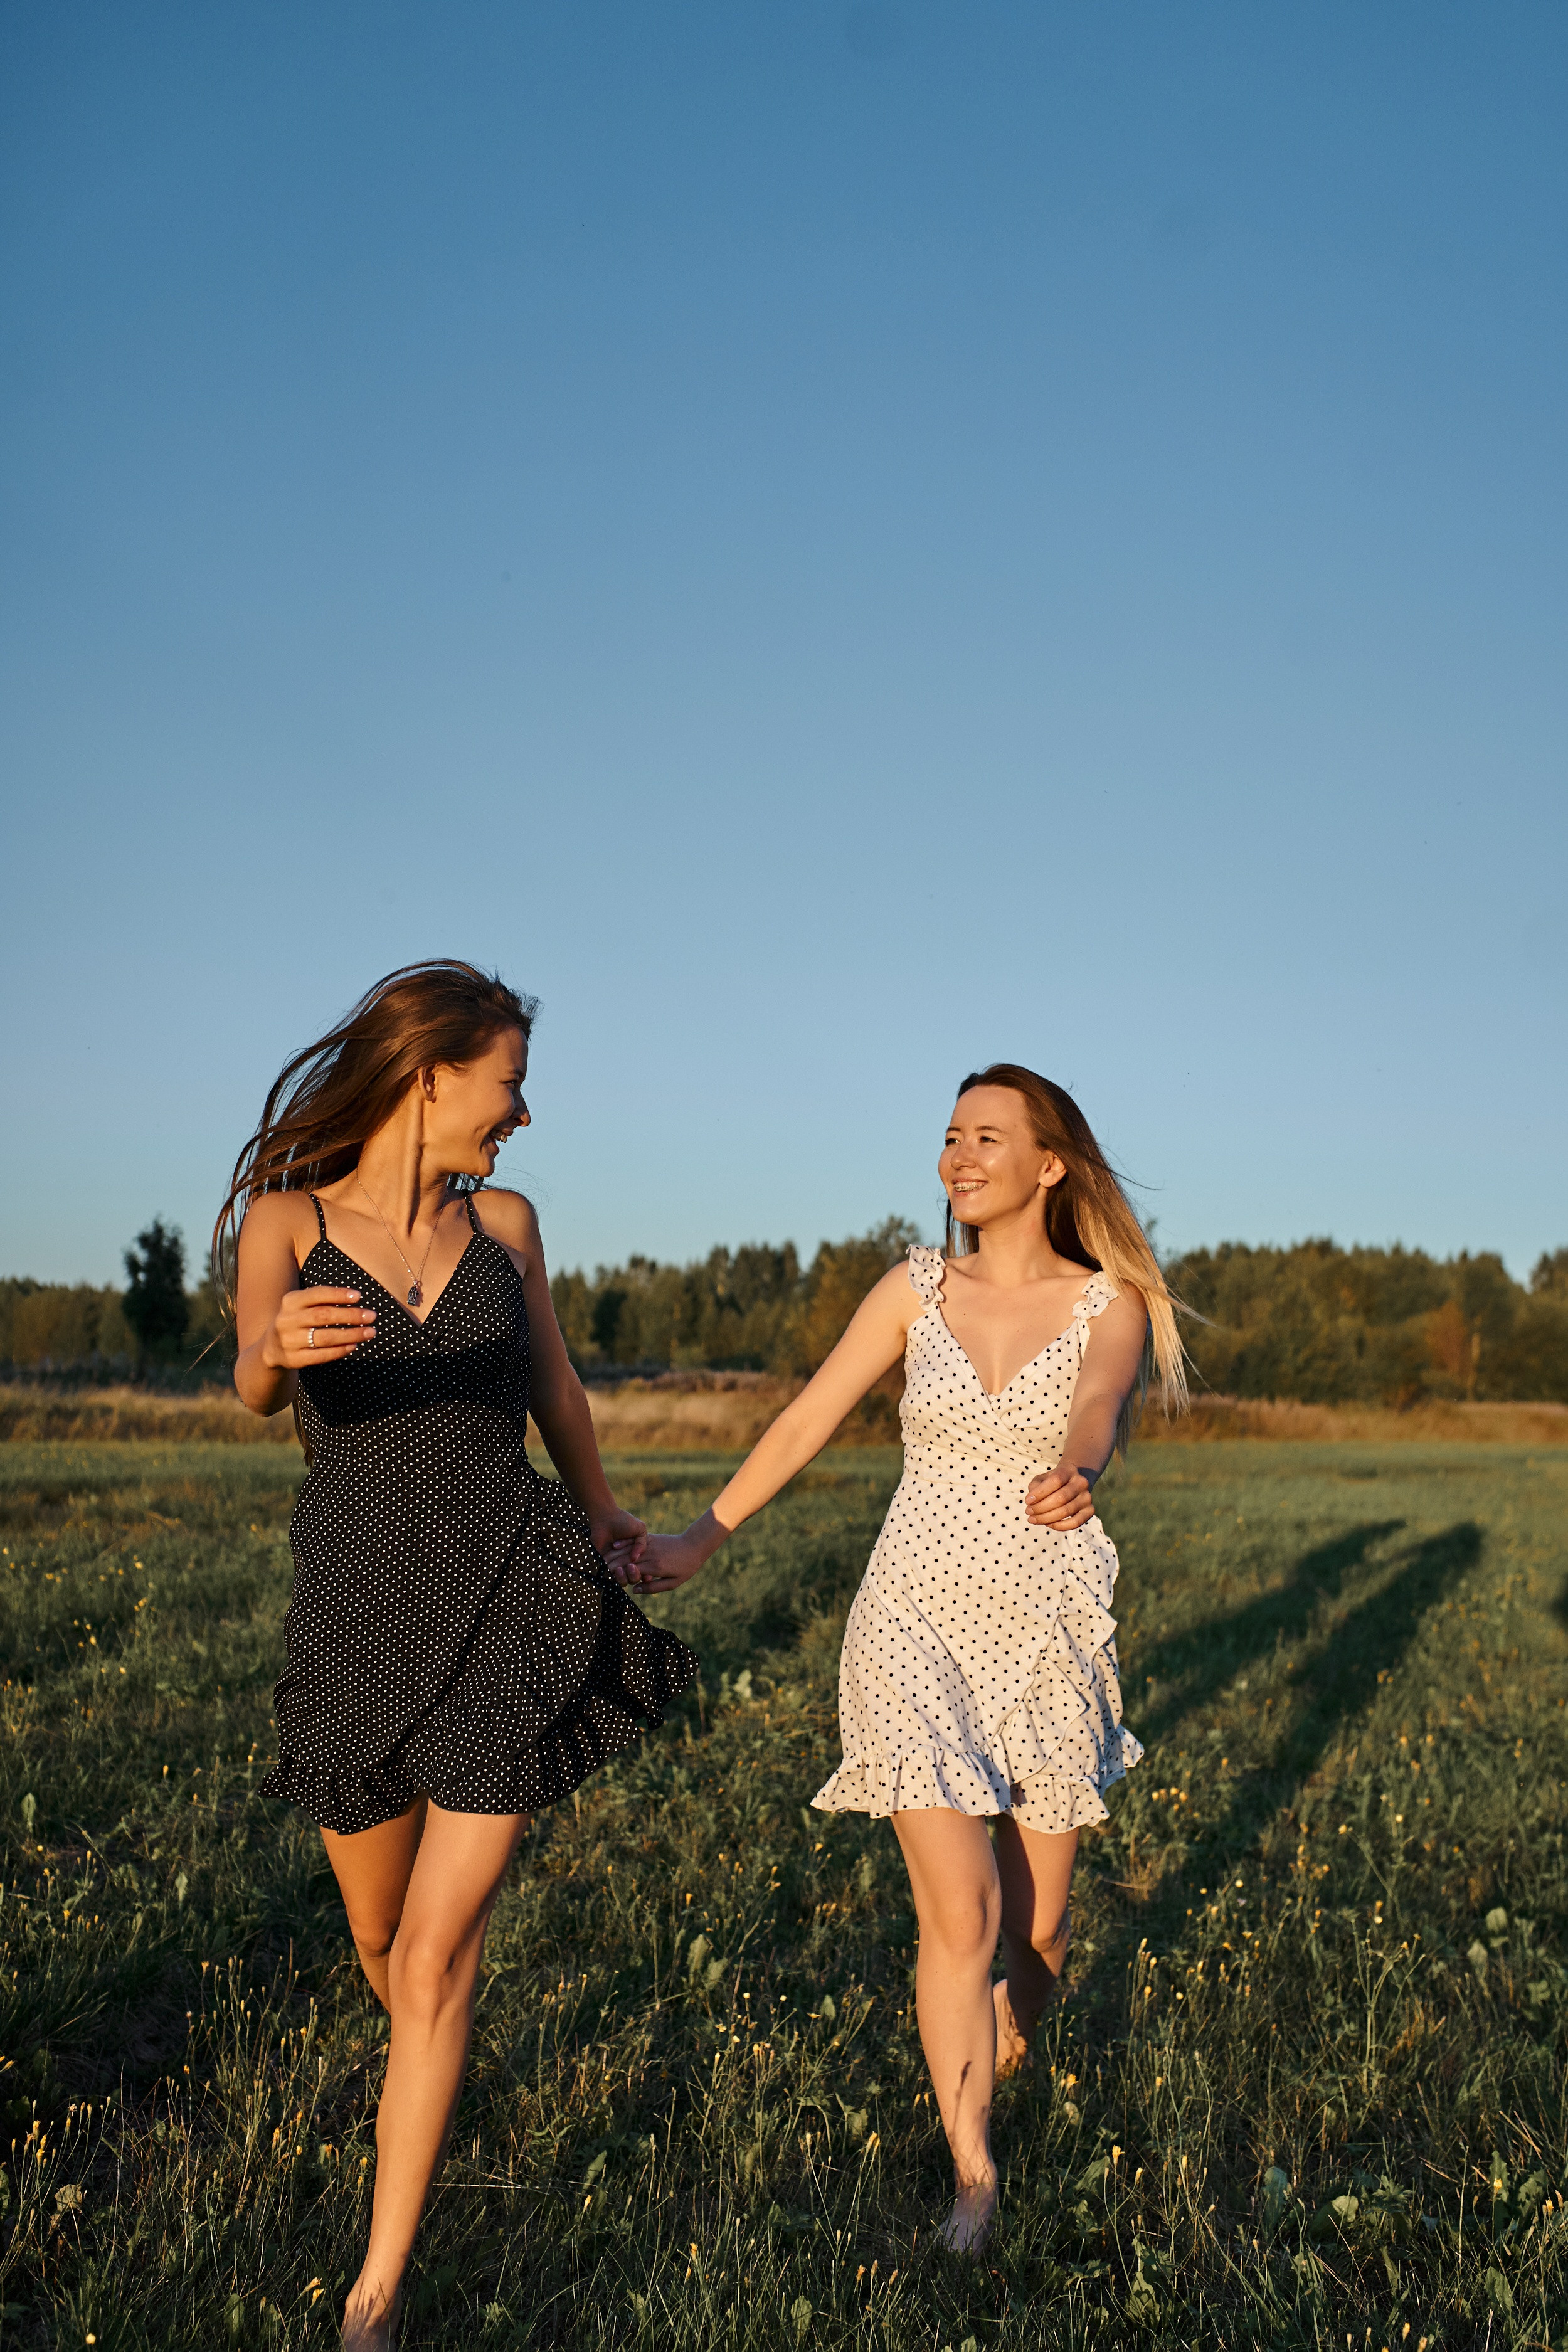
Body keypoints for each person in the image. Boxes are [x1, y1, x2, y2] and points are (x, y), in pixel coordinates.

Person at [619, 1063, 1185, 2252]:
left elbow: (1099, 1404)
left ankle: (1014, 2021)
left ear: (1049, 1166)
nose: (960, 1156)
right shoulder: (914, 1288)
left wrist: (1081, 1468)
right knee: (963, 1907)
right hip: (911, 1614)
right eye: (949, 1136)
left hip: (1040, 1621)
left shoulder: (1108, 1303)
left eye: (988, 1136)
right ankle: (974, 2179)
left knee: (1033, 1943)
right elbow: (804, 1418)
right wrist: (700, 1537)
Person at [218, 960, 696, 2348]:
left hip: (510, 1588)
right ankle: (429, 2062)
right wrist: (271, 1346)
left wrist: (605, 1511)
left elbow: (552, 1385)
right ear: (432, 1078)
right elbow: (253, 1377)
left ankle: (375, 2300)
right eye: (510, 1085)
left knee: (432, 1963)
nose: (523, 1115)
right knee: (381, 1937)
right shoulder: (286, 1221)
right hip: (355, 1613)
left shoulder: (508, 1225)